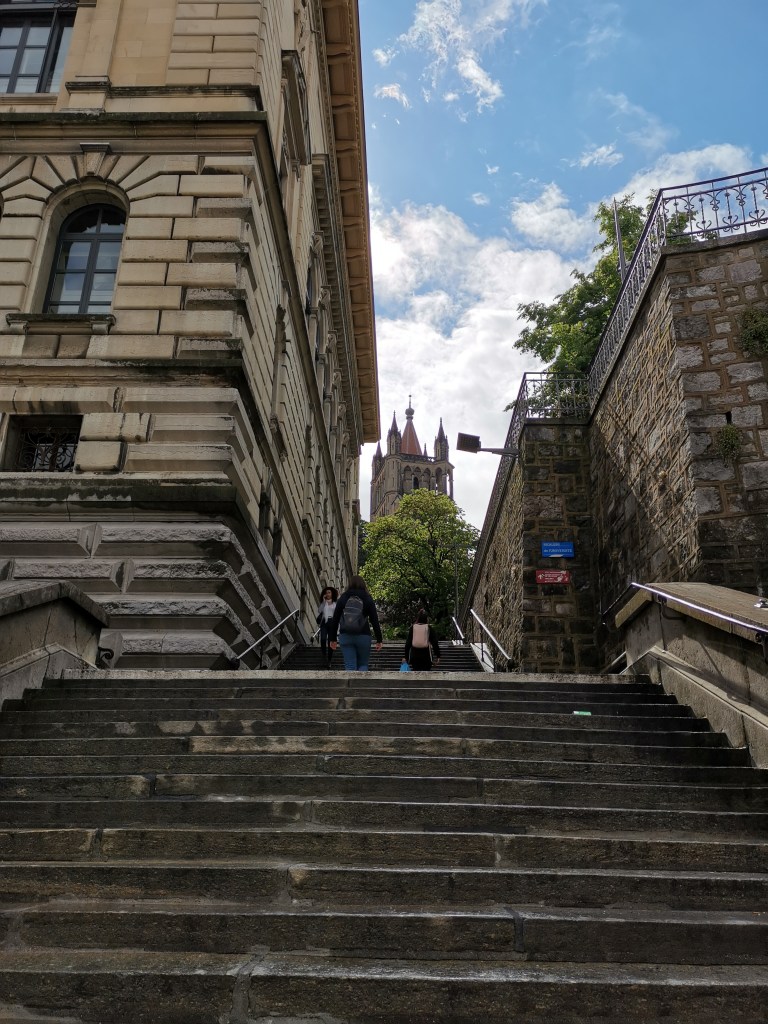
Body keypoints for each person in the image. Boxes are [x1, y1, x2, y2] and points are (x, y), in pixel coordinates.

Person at [329, 575, 383, 672]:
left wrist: (333, 638)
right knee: (363, 664)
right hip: (363, 636)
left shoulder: (343, 598)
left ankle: (351, 686)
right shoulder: (368, 598)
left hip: (346, 635)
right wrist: (379, 639)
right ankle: (361, 686)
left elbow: (335, 619)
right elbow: (374, 620)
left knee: (350, 666)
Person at [316, 585, 338, 667]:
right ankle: (324, 655)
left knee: (331, 642)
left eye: (329, 592)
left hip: (332, 623)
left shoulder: (335, 604)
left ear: (332, 594)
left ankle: (329, 660)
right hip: (324, 623)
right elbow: (319, 610)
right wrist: (324, 601)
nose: (328, 594)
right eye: (326, 593)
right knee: (323, 639)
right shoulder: (324, 603)